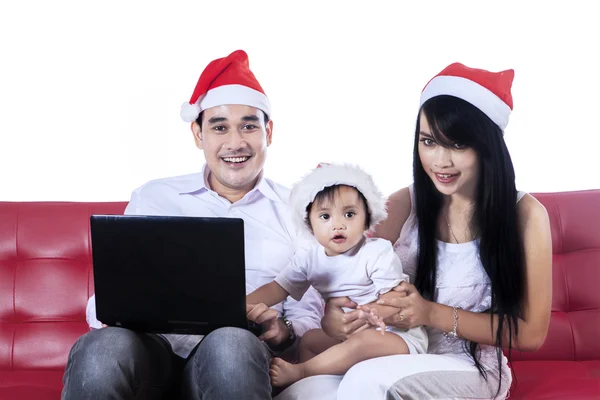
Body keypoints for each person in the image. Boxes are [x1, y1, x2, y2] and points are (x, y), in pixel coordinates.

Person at [276, 63, 552, 400]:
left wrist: (430, 313)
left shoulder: (526, 215)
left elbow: (530, 333)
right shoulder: (405, 203)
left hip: (468, 368)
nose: (441, 161)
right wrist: (335, 319)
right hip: (396, 350)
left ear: (488, 147)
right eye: (429, 141)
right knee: (302, 392)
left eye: (458, 145)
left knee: (364, 382)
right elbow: (340, 264)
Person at [61, 49, 324, 400]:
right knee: (103, 347)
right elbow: (107, 299)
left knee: (230, 342)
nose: (236, 143)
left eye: (249, 126)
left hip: (239, 357)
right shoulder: (154, 197)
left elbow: (307, 312)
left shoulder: (300, 210)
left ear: (268, 132)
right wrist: (117, 312)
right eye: (219, 127)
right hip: (151, 356)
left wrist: (285, 331)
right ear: (198, 134)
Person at [247, 163, 428, 388]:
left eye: (349, 214)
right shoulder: (309, 257)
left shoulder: (376, 251)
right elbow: (276, 288)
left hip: (395, 335)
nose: (338, 225)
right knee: (310, 341)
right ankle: (312, 385)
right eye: (325, 216)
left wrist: (371, 312)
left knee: (364, 340)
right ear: (309, 224)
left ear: (367, 218)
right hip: (349, 334)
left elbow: (397, 301)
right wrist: (241, 305)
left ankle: (302, 371)